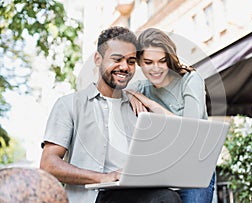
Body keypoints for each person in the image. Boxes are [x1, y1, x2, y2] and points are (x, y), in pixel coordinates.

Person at [40, 26, 182, 203]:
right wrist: (104, 177)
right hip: (93, 196)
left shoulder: (137, 106)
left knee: (169, 196)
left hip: (136, 194)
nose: (124, 67)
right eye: (117, 59)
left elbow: (178, 139)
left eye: (131, 61)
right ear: (98, 59)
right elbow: (48, 164)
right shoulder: (70, 104)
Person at [126, 27, 215, 203]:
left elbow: (191, 130)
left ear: (170, 59)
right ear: (139, 62)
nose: (156, 69)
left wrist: (149, 103)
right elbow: (113, 95)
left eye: (162, 61)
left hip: (195, 167)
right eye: (148, 62)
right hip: (161, 172)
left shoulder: (190, 80)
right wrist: (129, 94)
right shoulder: (139, 89)